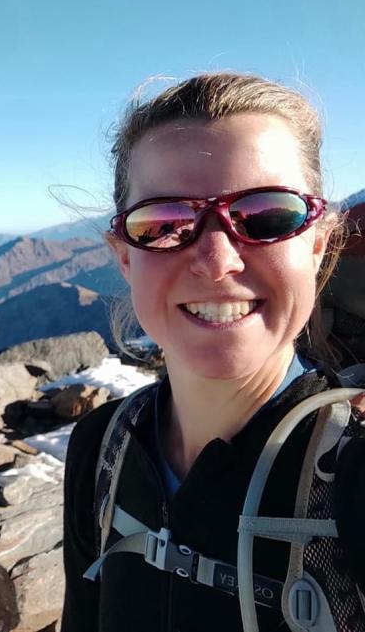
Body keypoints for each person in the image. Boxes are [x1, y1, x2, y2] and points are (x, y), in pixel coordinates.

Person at [60, 72, 365, 631]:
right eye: (165, 223)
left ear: (318, 243)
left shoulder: (354, 472)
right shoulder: (100, 448)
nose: (217, 260)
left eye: (269, 215)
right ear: (124, 256)